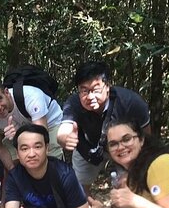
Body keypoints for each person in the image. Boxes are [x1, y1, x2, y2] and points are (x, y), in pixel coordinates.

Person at [57, 61, 151, 194]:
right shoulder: (74, 103)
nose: (90, 96)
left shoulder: (131, 102)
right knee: (78, 190)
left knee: (130, 186)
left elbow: (146, 137)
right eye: (84, 90)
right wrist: (64, 138)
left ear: (107, 86)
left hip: (124, 147)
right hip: (88, 147)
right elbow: (64, 129)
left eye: (95, 90)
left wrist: (139, 164)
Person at [0, 78, 64, 172]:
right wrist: (13, 171)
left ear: (7, 93)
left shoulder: (31, 96)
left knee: (48, 164)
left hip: (49, 124)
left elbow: (41, 138)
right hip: (17, 132)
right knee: (8, 166)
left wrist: (19, 137)